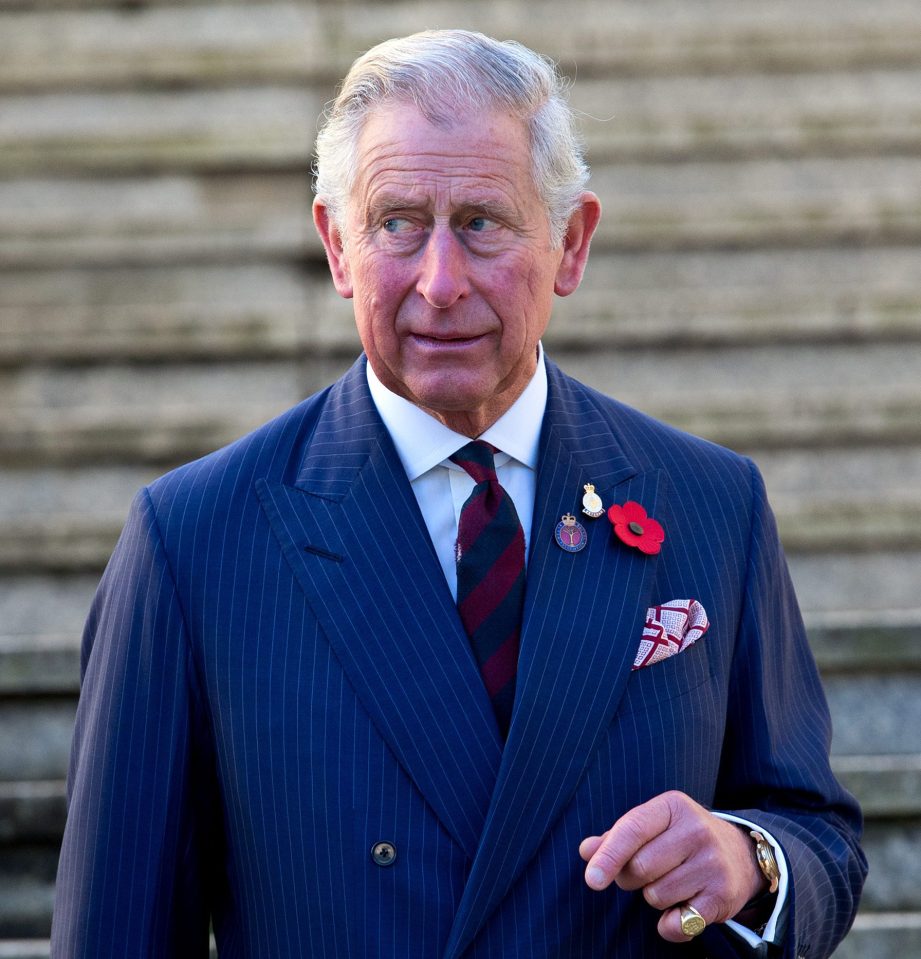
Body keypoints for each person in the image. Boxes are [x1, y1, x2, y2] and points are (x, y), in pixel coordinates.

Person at [52, 29, 866, 958]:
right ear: (336, 246)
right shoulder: (192, 540)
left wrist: (749, 855)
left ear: (571, 242)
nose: (439, 283)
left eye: (481, 222)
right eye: (398, 222)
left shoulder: (713, 505)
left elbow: (820, 834)